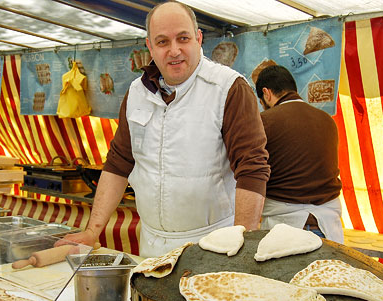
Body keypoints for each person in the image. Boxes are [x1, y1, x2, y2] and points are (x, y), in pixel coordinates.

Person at [59, 1, 270, 257]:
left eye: (183, 38)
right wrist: (92, 231)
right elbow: (119, 163)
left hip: (214, 244)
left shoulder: (228, 88)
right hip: (152, 245)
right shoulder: (137, 92)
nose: (174, 50)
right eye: (162, 42)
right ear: (149, 46)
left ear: (198, 39)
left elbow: (252, 168)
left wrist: (243, 244)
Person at [255, 65, 343, 243]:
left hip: (286, 229)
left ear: (266, 93)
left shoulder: (265, 121)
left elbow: (251, 173)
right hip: (328, 228)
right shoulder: (327, 121)